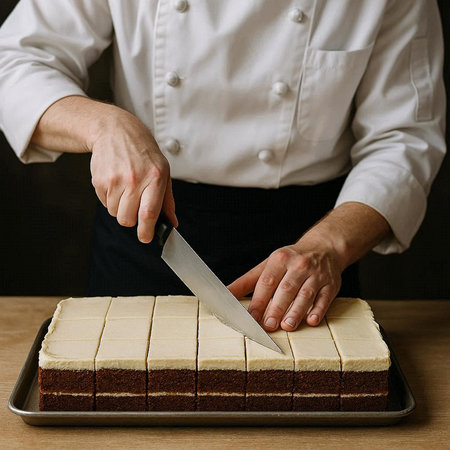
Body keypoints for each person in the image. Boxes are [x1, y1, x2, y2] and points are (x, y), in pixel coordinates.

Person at [0, 1, 445, 332]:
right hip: (148, 231)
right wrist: (104, 124)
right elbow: (15, 62)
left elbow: (405, 136)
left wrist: (330, 246)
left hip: (311, 253)